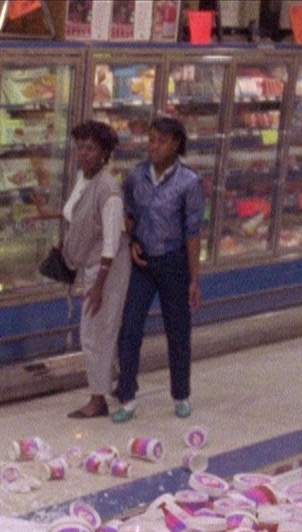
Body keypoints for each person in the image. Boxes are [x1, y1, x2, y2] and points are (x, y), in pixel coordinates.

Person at [113, 116, 205, 424]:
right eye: (151, 140)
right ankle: (126, 395)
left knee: (177, 331)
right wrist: (132, 241)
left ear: (176, 144)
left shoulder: (188, 183)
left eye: (161, 141)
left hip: (173, 261)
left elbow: (193, 231)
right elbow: (128, 214)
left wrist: (194, 277)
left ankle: (181, 394)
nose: (154, 146)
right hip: (143, 263)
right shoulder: (136, 177)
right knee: (129, 329)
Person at [61, 120, 132, 419]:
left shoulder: (108, 190)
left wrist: (100, 286)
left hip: (106, 273)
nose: (84, 154)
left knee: (95, 334)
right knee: (98, 331)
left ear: (104, 153)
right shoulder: (83, 179)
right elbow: (78, 213)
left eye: (91, 148)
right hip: (91, 268)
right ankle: (107, 386)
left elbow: (111, 242)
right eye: (80, 147)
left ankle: (97, 398)